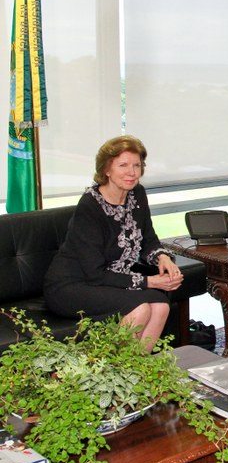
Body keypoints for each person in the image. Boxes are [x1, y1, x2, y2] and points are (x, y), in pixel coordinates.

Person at [44, 135, 184, 350]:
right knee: (140, 308)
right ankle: (114, 375)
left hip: (110, 282)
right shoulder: (90, 206)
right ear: (107, 169)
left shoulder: (137, 194)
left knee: (161, 305)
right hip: (72, 285)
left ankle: (137, 372)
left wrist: (163, 258)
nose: (132, 172)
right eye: (123, 165)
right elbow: (94, 273)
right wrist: (151, 282)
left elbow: (148, 238)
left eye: (137, 165)